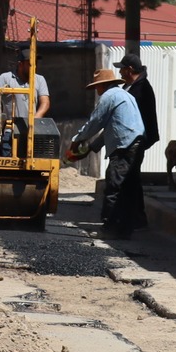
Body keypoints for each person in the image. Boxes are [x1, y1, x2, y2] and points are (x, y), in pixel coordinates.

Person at [67, 67, 144, 239]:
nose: (97, 91)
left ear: (103, 85)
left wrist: (77, 139)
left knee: (114, 187)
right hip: (135, 145)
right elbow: (110, 129)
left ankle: (111, 228)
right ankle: (125, 229)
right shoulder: (124, 95)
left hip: (124, 148)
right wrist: (89, 149)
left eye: (97, 87)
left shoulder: (109, 97)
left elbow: (96, 121)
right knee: (128, 188)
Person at [118, 55, 159, 230]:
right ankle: (137, 216)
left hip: (137, 139)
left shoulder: (140, 89)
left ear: (129, 70)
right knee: (132, 178)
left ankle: (134, 217)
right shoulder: (134, 87)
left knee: (130, 178)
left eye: (122, 68)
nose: (119, 72)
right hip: (138, 138)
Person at [0, 47, 49, 152]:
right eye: (30, 64)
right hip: (9, 130)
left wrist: (36, 119)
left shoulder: (39, 79)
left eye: (35, 63)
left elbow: (45, 102)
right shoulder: (6, 78)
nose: (34, 67)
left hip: (31, 130)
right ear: (20, 64)